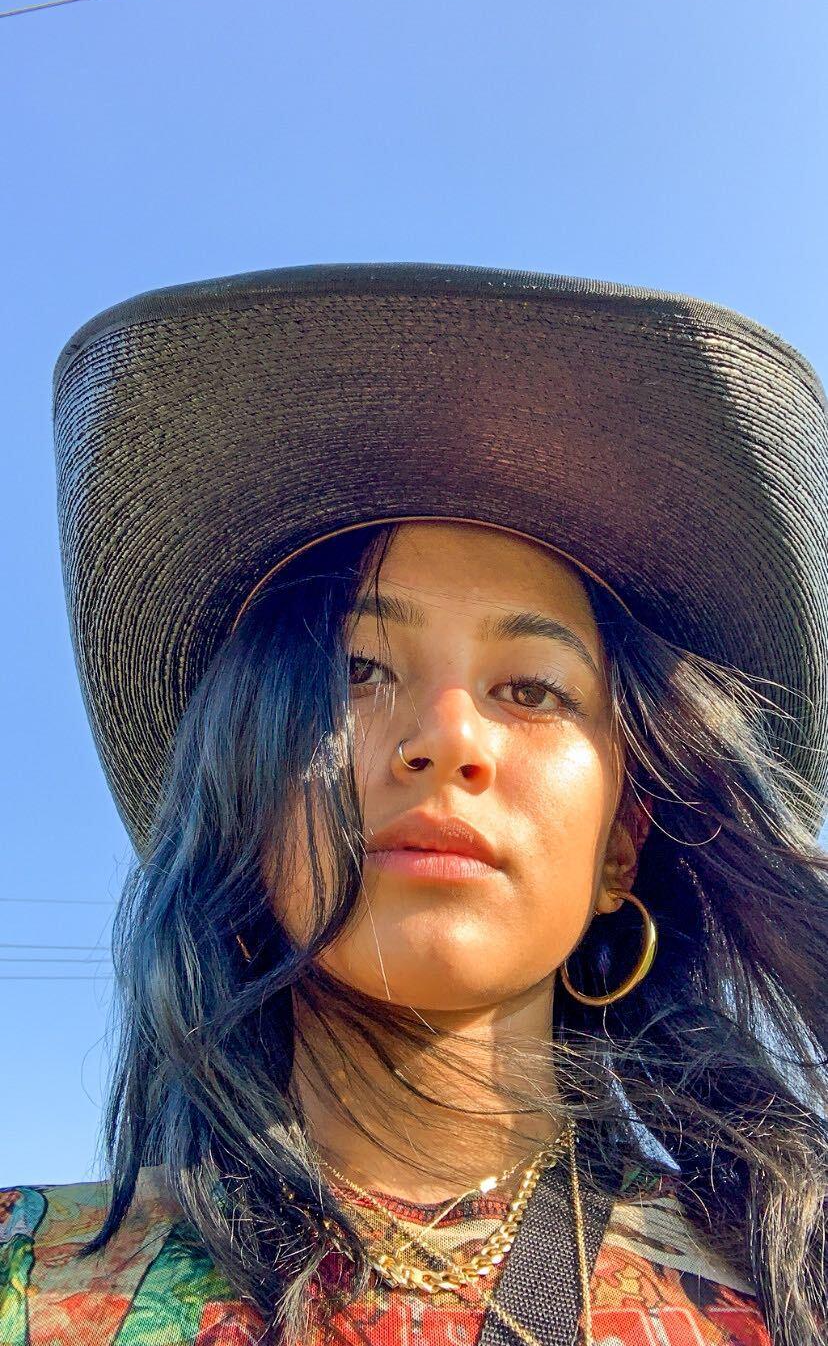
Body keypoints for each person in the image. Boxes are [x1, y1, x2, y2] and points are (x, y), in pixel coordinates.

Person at [2, 263, 826, 1346]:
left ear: (624, 843)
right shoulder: (35, 1286)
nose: (448, 736)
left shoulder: (785, 1291)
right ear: (242, 802)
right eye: (354, 670)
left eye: (529, 689)